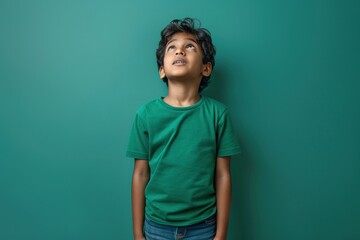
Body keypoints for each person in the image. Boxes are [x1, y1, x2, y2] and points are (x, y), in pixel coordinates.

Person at [126, 17, 241, 240]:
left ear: (206, 68)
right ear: (162, 70)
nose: (180, 51)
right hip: (157, 226)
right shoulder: (145, 115)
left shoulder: (218, 114)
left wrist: (220, 235)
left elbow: (223, 175)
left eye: (189, 46)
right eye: (172, 48)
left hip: (204, 226)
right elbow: (140, 175)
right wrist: (137, 234)